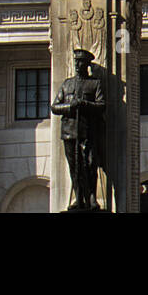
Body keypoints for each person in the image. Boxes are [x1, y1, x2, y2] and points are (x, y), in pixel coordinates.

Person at [51, 48, 106, 211]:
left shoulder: (94, 83)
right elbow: (55, 106)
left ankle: (91, 198)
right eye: (75, 61)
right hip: (69, 132)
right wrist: (70, 106)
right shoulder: (67, 84)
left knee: (89, 164)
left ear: (87, 64)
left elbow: (101, 105)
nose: (77, 64)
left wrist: (84, 104)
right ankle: (78, 197)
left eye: (80, 61)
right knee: (74, 167)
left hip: (87, 130)